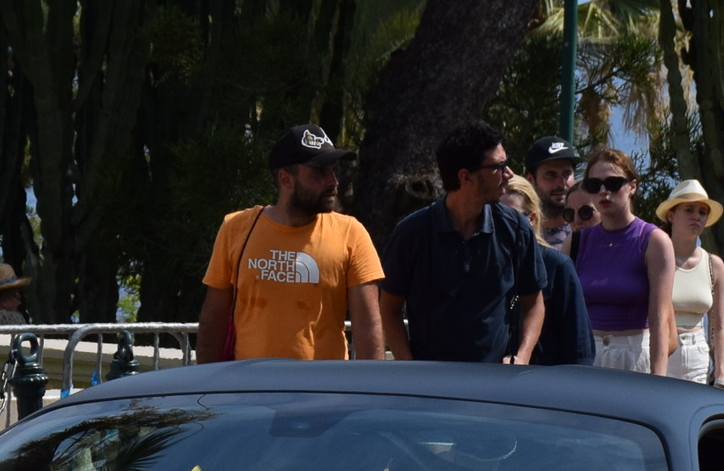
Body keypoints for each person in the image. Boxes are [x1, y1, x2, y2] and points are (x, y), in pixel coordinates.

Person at [198, 124, 384, 362]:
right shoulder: (236, 228)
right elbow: (214, 317)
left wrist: (370, 394)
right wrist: (206, 389)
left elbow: (368, 326)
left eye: (334, 171)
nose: (333, 181)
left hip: (322, 393)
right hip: (248, 390)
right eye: (320, 172)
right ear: (286, 179)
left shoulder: (351, 233)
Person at [377, 121, 546, 365]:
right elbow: (389, 308)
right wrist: (409, 366)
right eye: (498, 167)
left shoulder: (516, 229)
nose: (509, 174)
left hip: (496, 385)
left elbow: (534, 302)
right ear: (465, 177)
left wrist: (522, 356)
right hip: (431, 387)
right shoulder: (411, 233)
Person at [569, 148, 673, 375]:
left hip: (634, 357)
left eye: (613, 183)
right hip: (587, 358)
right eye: (594, 186)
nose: (604, 192)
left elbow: (660, 318)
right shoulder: (576, 241)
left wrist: (659, 378)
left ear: (632, 186)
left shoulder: (654, 240)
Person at [503, 175, 594, 367]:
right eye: (495, 217)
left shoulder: (557, 266)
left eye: (510, 217)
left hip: (545, 384)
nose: (501, 225)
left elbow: (580, 349)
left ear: (532, 218)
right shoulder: (484, 266)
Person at [655, 179, 724, 386]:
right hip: (661, 348)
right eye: (689, 210)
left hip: (698, 352)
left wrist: (721, 373)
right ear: (671, 215)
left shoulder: (713, 265)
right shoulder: (653, 258)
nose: (696, 217)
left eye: (702, 212)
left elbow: (719, 325)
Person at [526, 136, 581, 251]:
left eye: (566, 174)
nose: (561, 183)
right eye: (551, 174)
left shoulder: (587, 233)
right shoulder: (521, 236)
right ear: (531, 180)